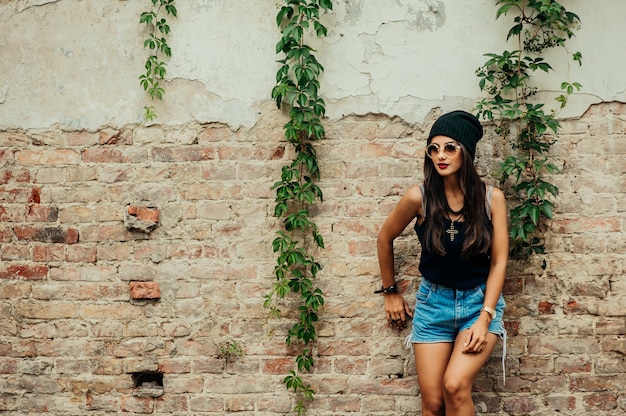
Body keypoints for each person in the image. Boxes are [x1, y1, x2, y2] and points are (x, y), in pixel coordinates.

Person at [376, 110, 508, 416]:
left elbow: (500, 262)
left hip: (479, 304)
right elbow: (384, 239)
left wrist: (485, 317)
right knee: (433, 404)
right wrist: (390, 291)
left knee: (455, 386)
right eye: (433, 149)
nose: (440, 155)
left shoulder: (492, 200)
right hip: (434, 303)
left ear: (467, 152)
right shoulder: (419, 197)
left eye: (450, 147)